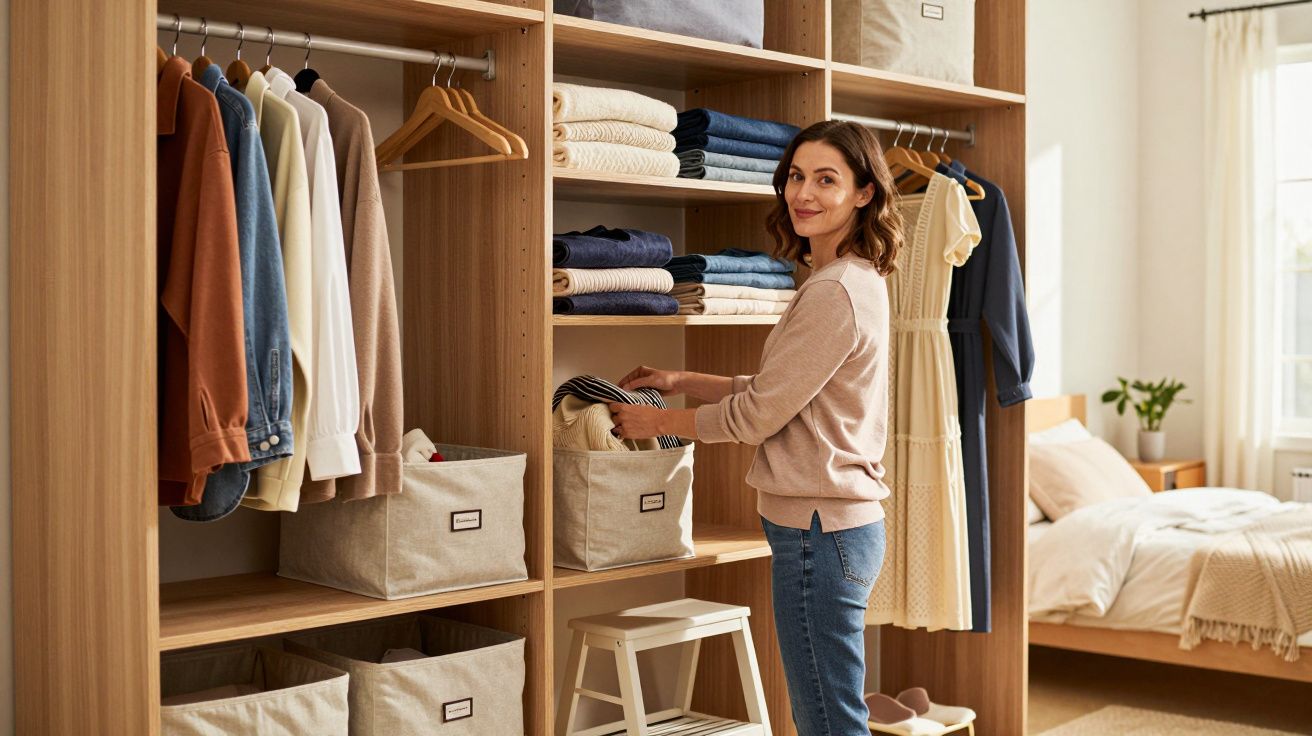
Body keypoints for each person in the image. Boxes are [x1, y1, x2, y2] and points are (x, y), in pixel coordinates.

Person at [610, 119, 902, 736]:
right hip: (834, 528)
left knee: (826, 719)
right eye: (797, 176)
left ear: (864, 193)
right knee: (831, 711)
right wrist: (687, 380)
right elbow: (789, 399)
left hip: (818, 533)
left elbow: (758, 418)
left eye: (828, 180)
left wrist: (658, 422)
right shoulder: (849, 281)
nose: (805, 193)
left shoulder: (834, 293)